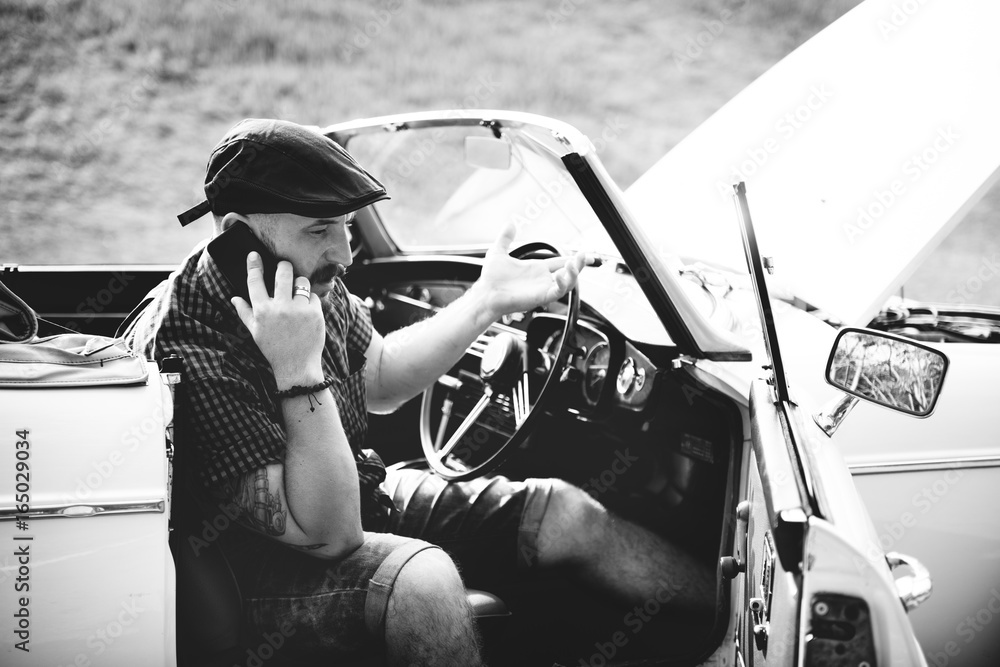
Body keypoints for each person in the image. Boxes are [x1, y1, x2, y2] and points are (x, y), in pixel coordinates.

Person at [129, 118, 713, 665]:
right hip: (248, 566)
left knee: (560, 511)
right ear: (239, 238)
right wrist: (297, 369)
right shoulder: (190, 345)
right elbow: (328, 537)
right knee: (423, 582)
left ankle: (740, 628)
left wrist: (486, 302)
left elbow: (379, 377)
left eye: (347, 228)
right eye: (319, 230)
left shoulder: (301, 278)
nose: (342, 253)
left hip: (349, 489)